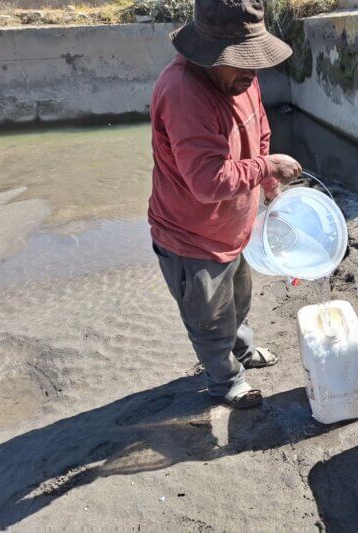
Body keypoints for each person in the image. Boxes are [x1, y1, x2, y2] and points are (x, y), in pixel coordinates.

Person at [148, 0, 302, 409]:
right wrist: (267, 166)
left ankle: (243, 351)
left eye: (254, 62)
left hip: (234, 226)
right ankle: (225, 380)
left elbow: (261, 133)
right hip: (191, 236)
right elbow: (208, 180)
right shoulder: (184, 92)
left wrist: (267, 182)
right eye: (240, 62)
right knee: (210, 319)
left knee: (238, 302)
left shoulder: (240, 80)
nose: (252, 73)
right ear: (207, 55)